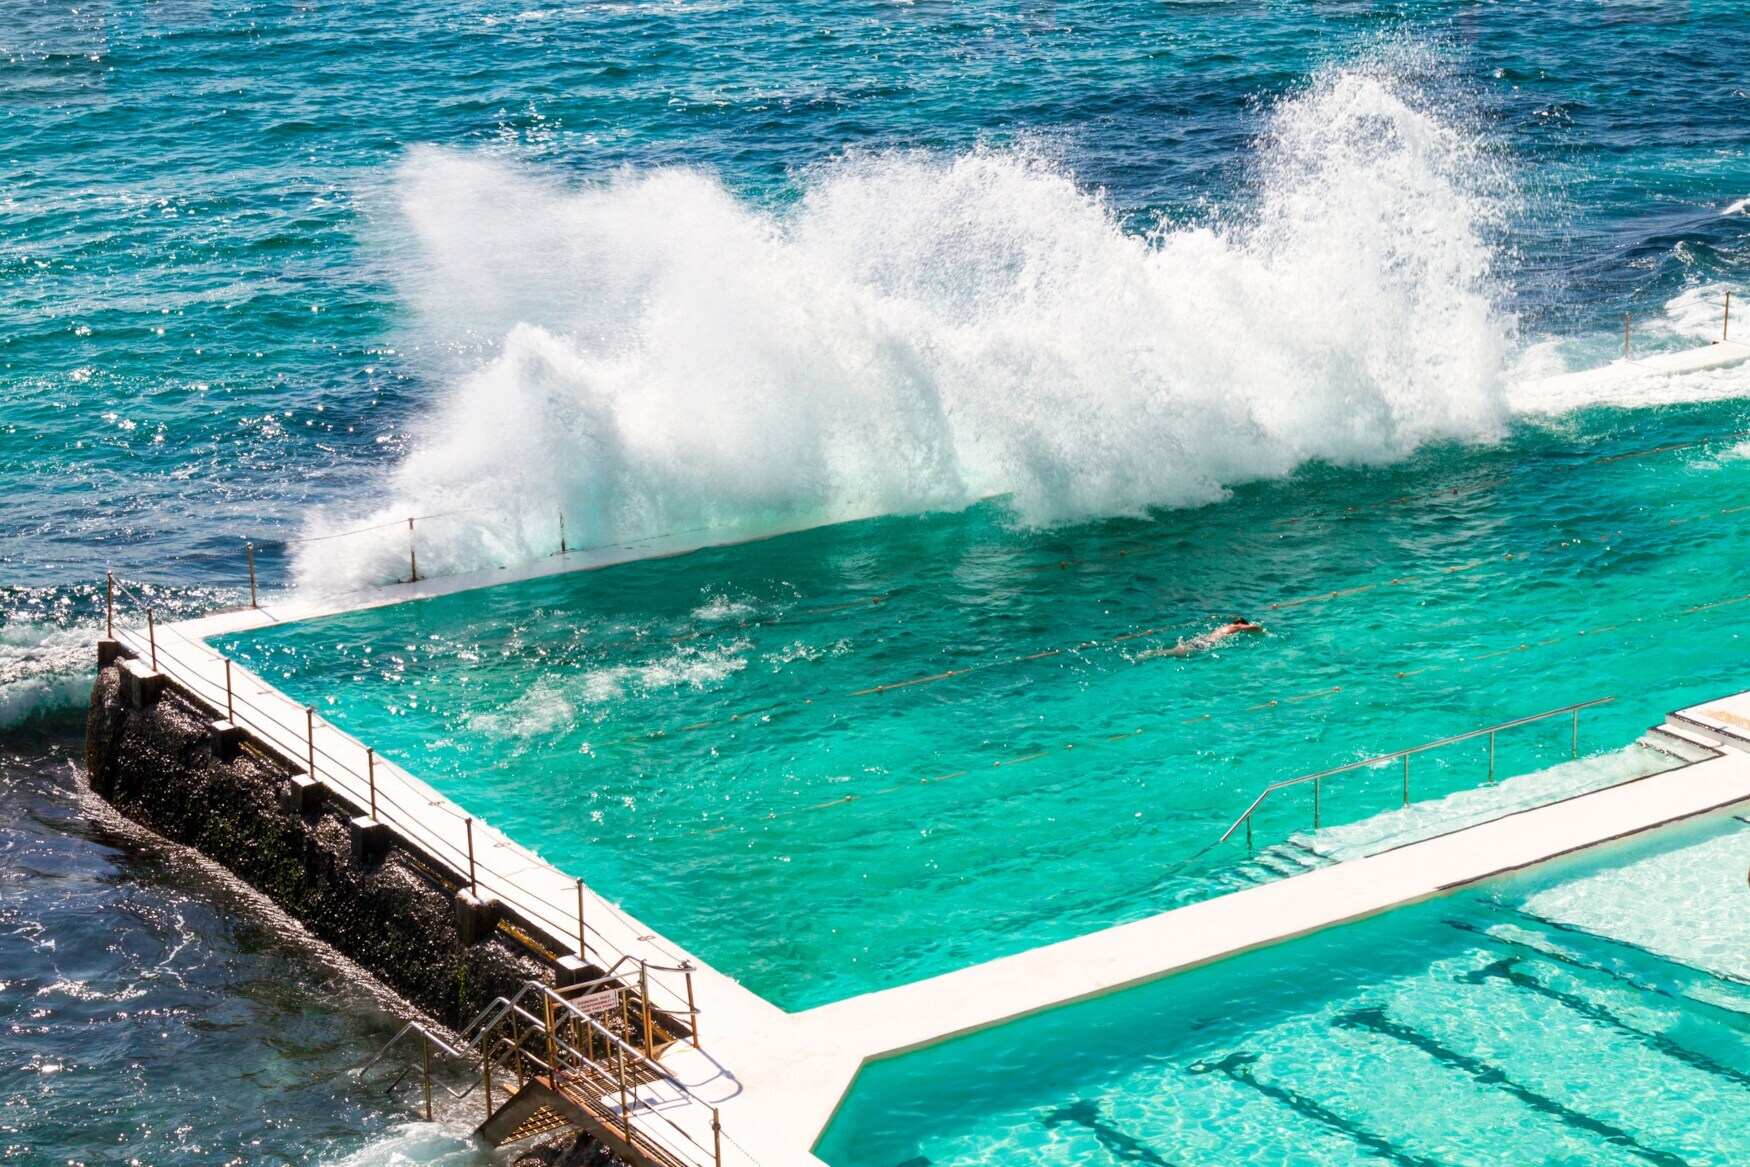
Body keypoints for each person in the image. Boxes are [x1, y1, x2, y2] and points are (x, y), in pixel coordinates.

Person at [1144, 616, 1264, 659]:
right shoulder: (1236, 627)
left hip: (1201, 639)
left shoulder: (1223, 627)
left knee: (1177, 651)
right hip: (1206, 644)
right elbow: (1256, 627)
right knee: (1176, 653)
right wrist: (1262, 630)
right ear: (1241, 624)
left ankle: (1153, 653)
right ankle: (1152, 653)